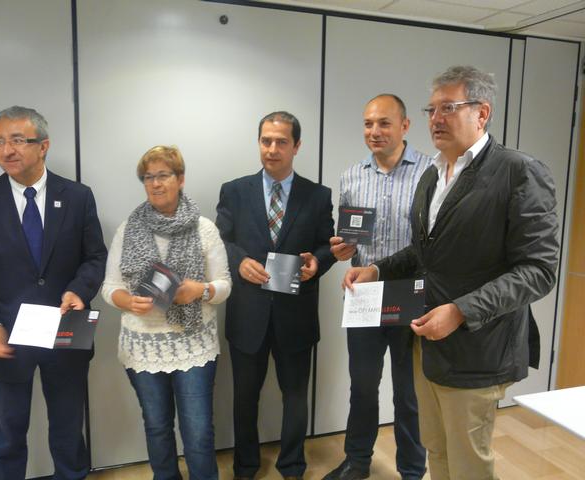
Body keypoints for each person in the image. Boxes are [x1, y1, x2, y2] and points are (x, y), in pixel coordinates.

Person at [343, 66, 559, 480]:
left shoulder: (518, 171)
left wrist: (461, 311)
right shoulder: (434, 174)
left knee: (468, 463)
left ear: (482, 113)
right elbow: (425, 252)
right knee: (437, 451)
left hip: (477, 348)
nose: (436, 119)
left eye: (449, 108)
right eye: (432, 110)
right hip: (428, 340)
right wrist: (377, 268)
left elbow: (538, 269)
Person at [0, 106, 107, 480]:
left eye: (18, 140)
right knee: (7, 439)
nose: (6, 150)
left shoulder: (78, 196)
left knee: (68, 435)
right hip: (5, 337)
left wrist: (79, 290)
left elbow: (95, 257)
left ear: (44, 146)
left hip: (66, 330)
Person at [215, 111, 336, 480]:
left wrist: (318, 261)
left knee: (295, 397)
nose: (272, 149)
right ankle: (245, 466)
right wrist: (239, 261)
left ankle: (293, 465)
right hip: (248, 313)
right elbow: (219, 240)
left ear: (296, 146)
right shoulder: (234, 191)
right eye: (266, 141)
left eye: (281, 142)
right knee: (244, 397)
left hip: (295, 315)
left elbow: (327, 246)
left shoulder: (318, 196)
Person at [102, 145, 231, 480]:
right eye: (148, 177)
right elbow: (109, 287)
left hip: (193, 345)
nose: (155, 184)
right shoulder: (128, 229)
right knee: (157, 427)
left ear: (180, 179)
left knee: (198, 432)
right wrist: (127, 302)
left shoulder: (204, 228)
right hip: (143, 345)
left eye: (163, 175)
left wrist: (200, 290)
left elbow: (224, 285)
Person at [324, 94, 430, 480]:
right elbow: (351, 240)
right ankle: (357, 462)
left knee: (409, 392)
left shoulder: (430, 174)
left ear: (405, 126)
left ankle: (412, 471)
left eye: (384, 123)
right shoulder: (352, 176)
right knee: (363, 387)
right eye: (368, 123)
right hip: (363, 296)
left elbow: (430, 242)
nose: (374, 131)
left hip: (411, 294)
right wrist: (343, 249)